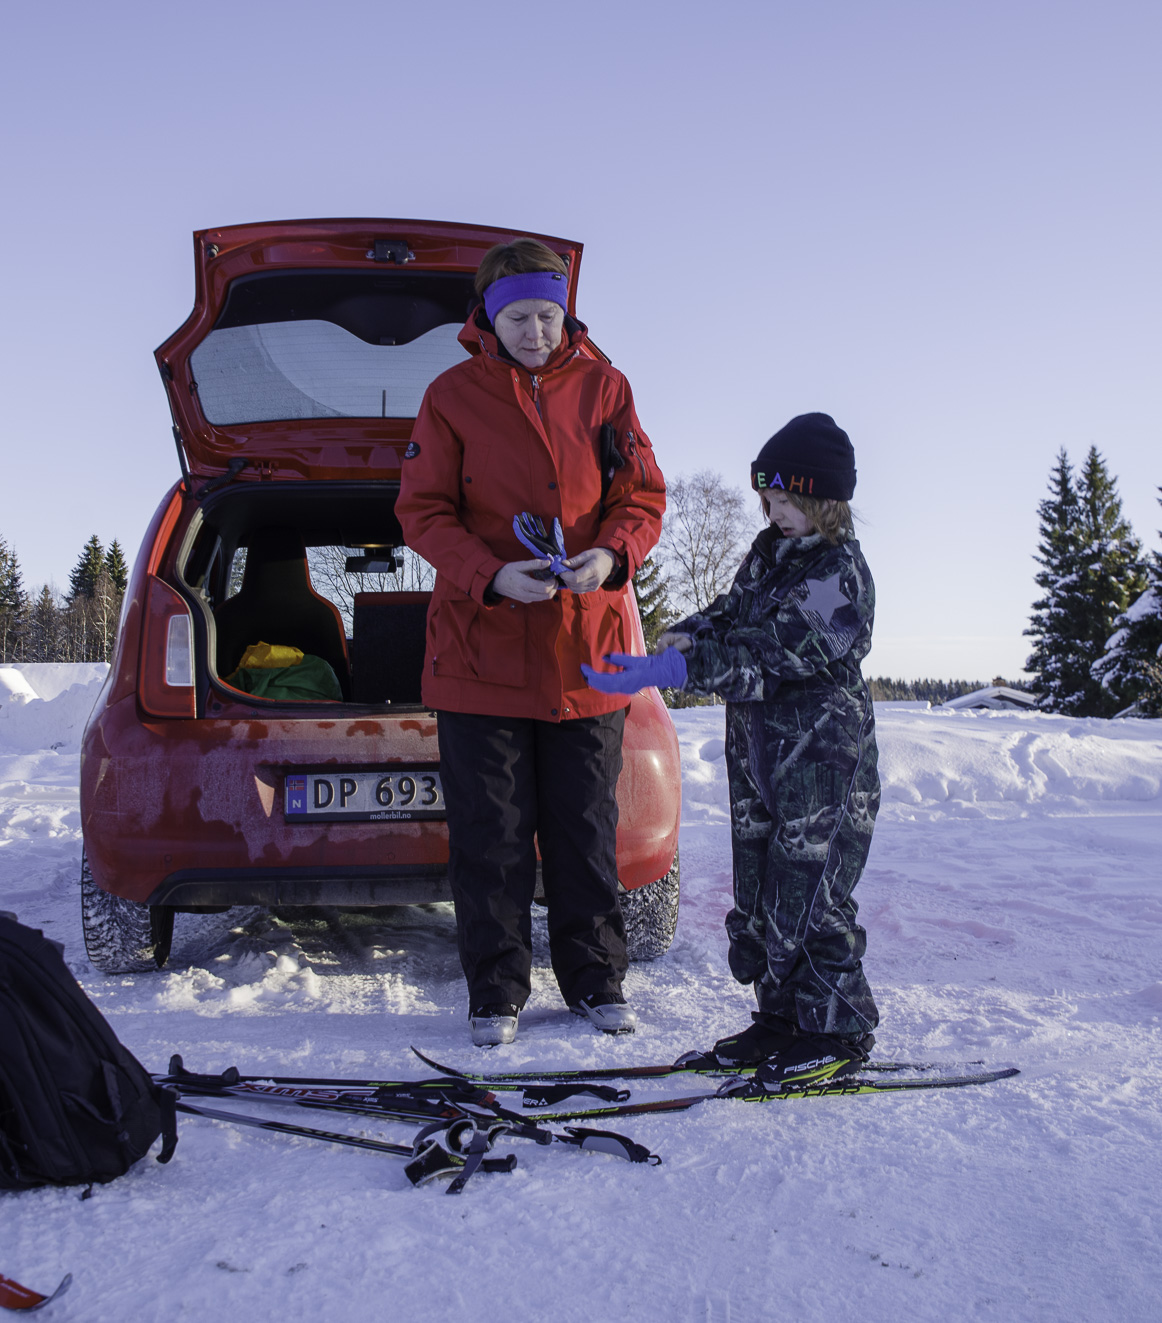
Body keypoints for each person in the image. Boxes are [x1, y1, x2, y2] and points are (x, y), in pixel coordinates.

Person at [396, 238, 666, 1047]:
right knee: (493, 833)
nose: (537, 332)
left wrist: (612, 554)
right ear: (487, 315)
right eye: (519, 317)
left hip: (587, 654)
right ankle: (496, 990)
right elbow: (422, 512)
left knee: (584, 827)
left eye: (549, 315)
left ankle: (595, 979)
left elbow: (643, 494)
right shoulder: (451, 395)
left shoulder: (606, 388)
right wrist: (488, 573)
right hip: (482, 652)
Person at [584, 413, 880, 1088]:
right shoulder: (770, 553)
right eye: (767, 501)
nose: (773, 512)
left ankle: (838, 1026)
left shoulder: (841, 575)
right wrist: (674, 641)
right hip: (762, 756)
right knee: (763, 890)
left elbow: (774, 650)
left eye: (785, 501)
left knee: (812, 892)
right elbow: (731, 613)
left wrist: (688, 669)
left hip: (822, 766)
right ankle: (783, 1016)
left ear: (824, 500)